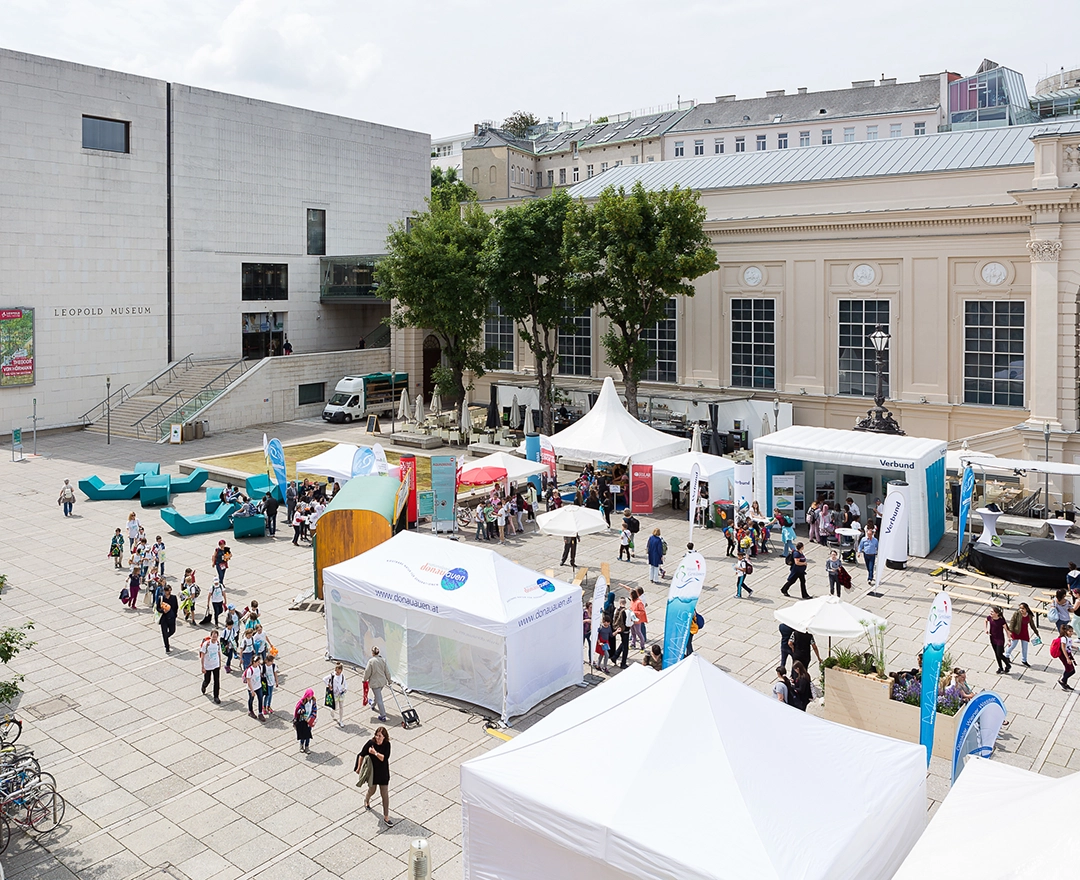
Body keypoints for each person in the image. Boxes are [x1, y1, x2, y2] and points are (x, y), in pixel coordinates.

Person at [361, 726, 394, 826]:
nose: (378, 738)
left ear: (384, 737)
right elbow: (361, 754)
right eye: (376, 735)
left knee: (385, 795)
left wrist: (374, 753)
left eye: (380, 736)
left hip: (383, 773)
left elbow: (384, 758)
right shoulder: (370, 743)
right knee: (372, 790)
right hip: (373, 773)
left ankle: (386, 817)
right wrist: (358, 768)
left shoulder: (387, 745)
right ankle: (366, 800)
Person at [1005, 603, 1038, 667]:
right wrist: (1010, 631)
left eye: (1023, 608)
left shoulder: (1029, 616)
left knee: (1025, 647)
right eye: (1020, 608)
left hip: (1024, 633)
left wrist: (1036, 632)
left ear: (1026, 609)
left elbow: (1032, 625)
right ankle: (1006, 655)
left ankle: (1024, 660)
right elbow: (1012, 622)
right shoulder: (1016, 614)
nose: (1021, 610)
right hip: (1016, 632)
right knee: (1012, 645)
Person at [363, 645, 391, 722]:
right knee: (377, 695)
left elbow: (367, 672)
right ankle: (372, 704)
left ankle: (383, 715)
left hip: (375, 683)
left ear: (372, 653)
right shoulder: (383, 660)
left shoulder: (371, 661)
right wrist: (389, 680)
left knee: (379, 699)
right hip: (382, 682)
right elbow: (387, 672)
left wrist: (364, 679)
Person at [986, 606, 1011, 674]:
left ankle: (1008, 664)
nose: (990, 613)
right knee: (996, 654)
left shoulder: (1001, 621)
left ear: (997, 613)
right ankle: (1000, 667)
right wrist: (986, 629)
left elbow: (1007, 630)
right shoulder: (990, 618)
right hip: (992, 638)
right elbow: (985, 620)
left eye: (992, 612)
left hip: (1000, 639)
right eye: (990, 611)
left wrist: (1009, 640)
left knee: (999, 653)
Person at [199, 629, 222, 703]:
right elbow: (202, 656)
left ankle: (216, 696)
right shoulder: (206, 644)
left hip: (215, 665)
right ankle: (204, 685)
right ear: (210, 636)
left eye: (216, 637)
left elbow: (218, 653)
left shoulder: (217, 644)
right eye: (213, 636)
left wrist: (219, 663)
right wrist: (202, 667)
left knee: (217, 681)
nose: (214, 638)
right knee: (207, 680)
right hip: (207, 666)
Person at [325, 663, 348, 728]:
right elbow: (324, 679)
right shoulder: (332, 675)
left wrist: (345, 689)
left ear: (341, 670)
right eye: (336, 671)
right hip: (334, 694)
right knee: (335, 707)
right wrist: (329, 685)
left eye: (338, 671)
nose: (337, 672)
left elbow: (345, 684)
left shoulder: (342, 676)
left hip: (341, 694)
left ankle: (341, 721)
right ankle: (332, 710)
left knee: (341, 707)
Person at [244, 656, 266, 721]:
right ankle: (250, 711)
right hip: (252, 688)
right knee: (251, 699)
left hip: (258, 686)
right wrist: (252, 690)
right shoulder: (249, 670)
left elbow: (260, 674)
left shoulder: (259, 667)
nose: (259, 663)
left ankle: (260, 713)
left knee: (260, 699)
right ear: (254, 662)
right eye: (258, 662)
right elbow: (248, 681)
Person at [158, 585, 179, 654]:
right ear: (164, 591)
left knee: (172, 630)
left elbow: (176, 607)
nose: (169, 592)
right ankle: (167, 647)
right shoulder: (161, 598)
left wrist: (175, 615)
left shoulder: (173, 597)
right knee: (164, 632)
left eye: (170, 590)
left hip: (171, 617)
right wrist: (163, 611)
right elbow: (157, 608)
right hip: (164, 618)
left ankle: (166, 637)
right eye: (167, 591)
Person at [612, 599, 631, 669]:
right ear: (625, 603)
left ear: (619, 602)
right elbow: (628, 623)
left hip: (619, 629)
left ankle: (615, 656)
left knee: (623, 642)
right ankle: (623, 663)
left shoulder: (616, 610)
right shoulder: (627, 611)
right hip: (625, 630)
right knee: (625, 647)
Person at [583, 600, 593, 665]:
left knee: (591, 646)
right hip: (583, 632)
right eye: (590, 607)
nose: (591, 609)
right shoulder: (584, 613)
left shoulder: (593, 613)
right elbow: (579, 621)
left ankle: (590, 659)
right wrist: (586, 620)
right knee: (581, 646)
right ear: (587, 608)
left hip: (589, 632)